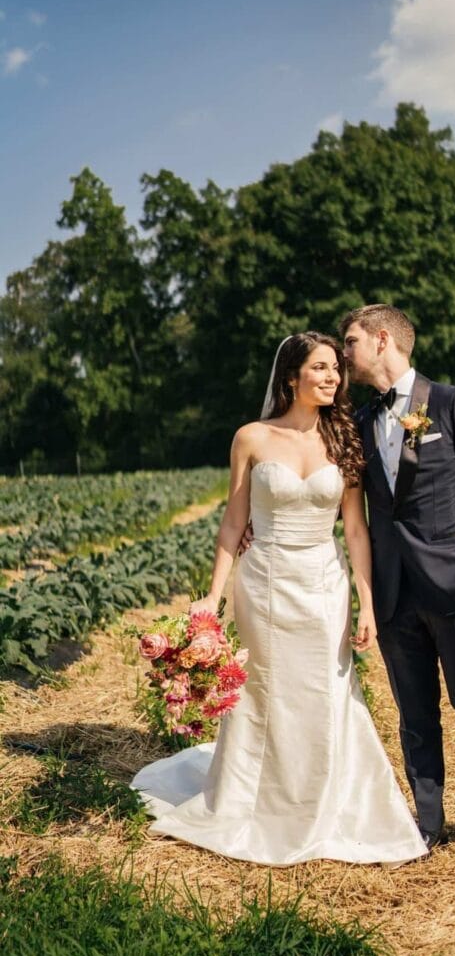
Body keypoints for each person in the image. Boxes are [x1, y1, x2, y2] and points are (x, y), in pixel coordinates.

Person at [131, 332, 428, 866]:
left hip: (323, 581)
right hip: (264, 579)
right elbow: (233, 522)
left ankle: (324, 802)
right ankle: (256, 800)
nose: (333, 377)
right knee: (266, 690)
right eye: (320, 368)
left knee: (324, 688)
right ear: (291, 376)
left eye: (336, 368)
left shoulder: (344, 440)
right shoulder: (251, 437)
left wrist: (364, 596)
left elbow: (355, 530)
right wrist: (212, 599)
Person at [338, 305, 455, 859]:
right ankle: (428, 822)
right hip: (395, 595)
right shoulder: (362, 419)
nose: (343, 354)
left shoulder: (451, 403)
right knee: (416, 717)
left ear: (381, 339)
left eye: (349, 343)